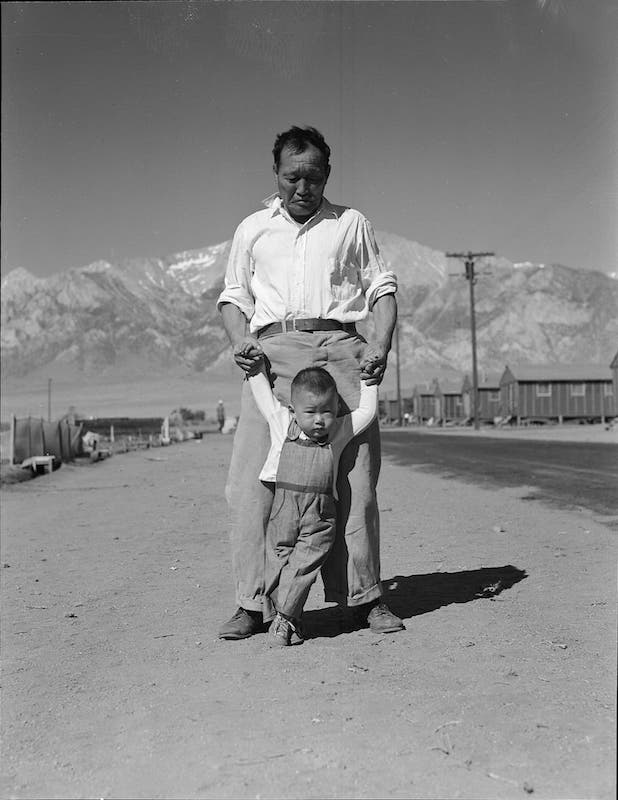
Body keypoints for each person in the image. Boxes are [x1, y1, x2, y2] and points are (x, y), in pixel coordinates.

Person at [217, 125, 404, 639]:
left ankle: (365, 598)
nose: (303, 188)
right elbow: (234, 298)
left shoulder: (351, 224)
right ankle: (252, 603)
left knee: (355, 484)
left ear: (328, 174)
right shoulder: (253, 228)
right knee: (249, 485)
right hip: (271, 357)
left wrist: (380, 346)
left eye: (314, 177)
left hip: (342, 352)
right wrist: (241, 341)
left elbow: (382, 289)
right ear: (275, 173)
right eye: (292, 177)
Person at [243, 351, 379, 646]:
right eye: (310, 412)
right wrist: (255, 369)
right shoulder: (282, 423)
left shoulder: (339, 433)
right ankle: (289, 618)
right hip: (284, 511)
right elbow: (264, 396)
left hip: (320, 515)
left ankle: (283, 620)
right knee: (279, 561)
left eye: (327, 411)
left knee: (305, 562)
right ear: (293, 409)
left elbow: (366, 413)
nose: (319, 420)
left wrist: (370, 381)